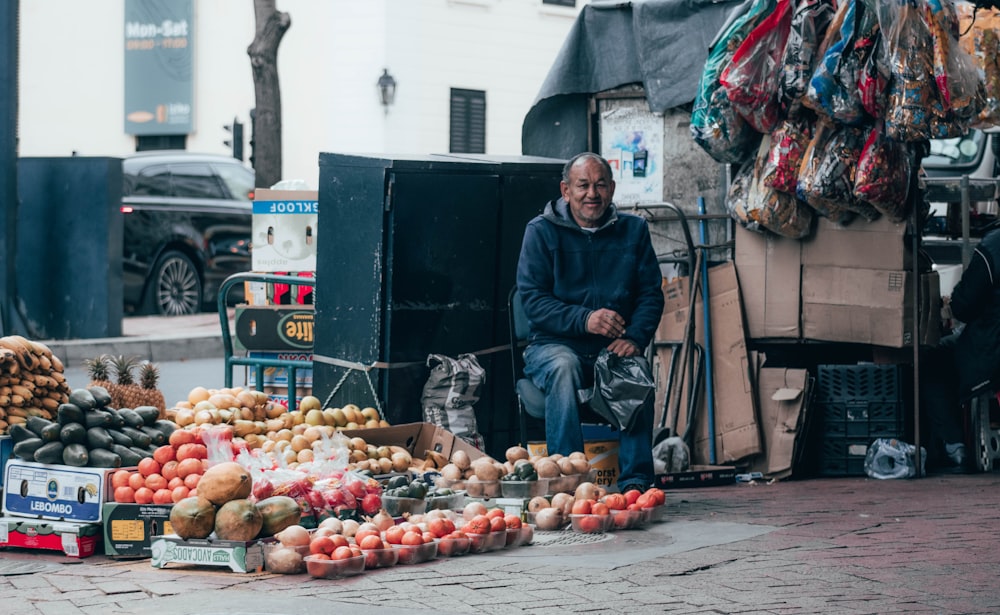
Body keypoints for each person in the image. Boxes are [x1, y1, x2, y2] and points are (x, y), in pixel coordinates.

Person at [516, 152, 664, 493]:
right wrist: (585, 320)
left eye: (600, 185)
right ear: (566, 191)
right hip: (551, 346)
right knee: (564, 366)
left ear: (612, 189)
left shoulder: (634, 230)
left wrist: (637, 337)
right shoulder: (540, 232)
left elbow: (651, 295)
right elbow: (533, 301)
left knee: (635, 368)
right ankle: (569, 483)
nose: (592, 194)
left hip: (610, 348)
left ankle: (636, 483)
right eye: (583, 185)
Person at [922, 226, 1000, 471]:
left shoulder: (994, 245)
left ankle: (955, 446)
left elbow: (964, 305)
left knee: (933, 358)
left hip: (992, 351)